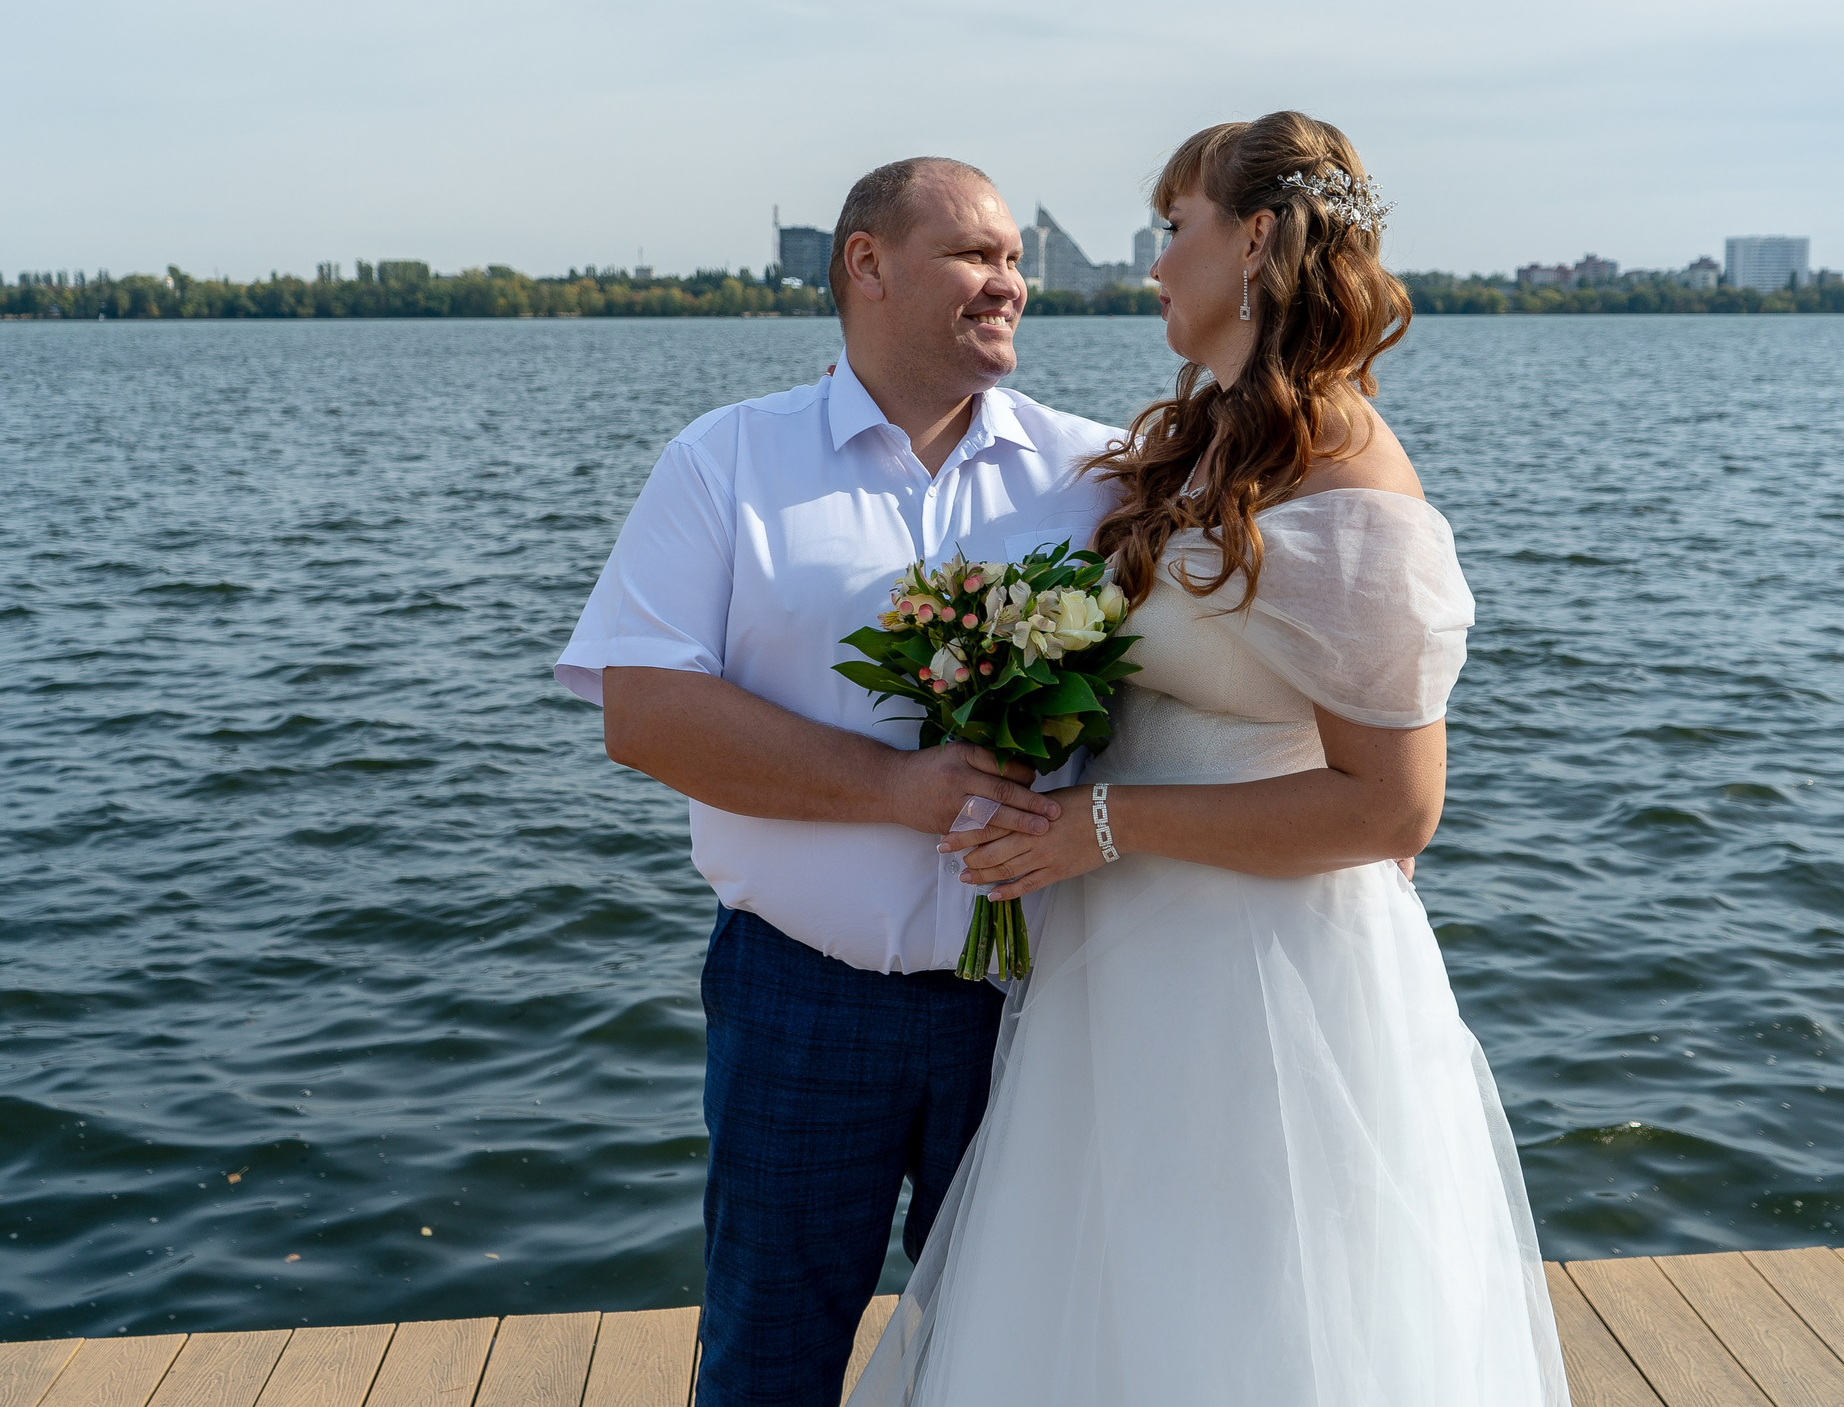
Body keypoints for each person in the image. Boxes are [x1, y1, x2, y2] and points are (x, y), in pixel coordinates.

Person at [849, 113, 1571, 1407]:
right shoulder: (1211, 445)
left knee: (1244, 1321)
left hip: (1265, 985)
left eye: (1170, 226)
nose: (1153, 262)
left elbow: (1398, 802)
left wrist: (1101, 824)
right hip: (1122, 971)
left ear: (1251, 238)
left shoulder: (1349, 472)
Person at [554, 157, 1121, 1407]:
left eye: (1016, 258)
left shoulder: (1100, 478)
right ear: (865, 265)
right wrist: (893, 787)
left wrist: (1334, 797)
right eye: (978, 255)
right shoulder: (726, 464)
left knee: (1023, 1364)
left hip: (1043, 1002)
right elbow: (643, 715)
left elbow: (1222, 650)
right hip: (802, 1003)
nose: (1011, 284)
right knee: (771, 1362)